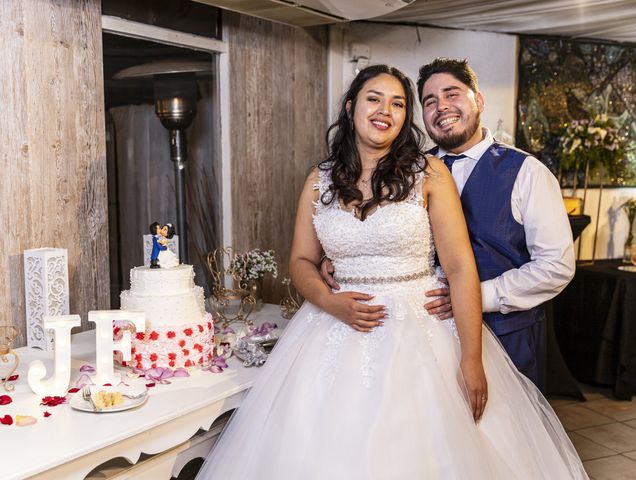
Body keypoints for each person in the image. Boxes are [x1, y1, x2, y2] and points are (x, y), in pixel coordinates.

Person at [196, 65, 586, 479]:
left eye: (398, 103)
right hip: (331, 331)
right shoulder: (319, 179)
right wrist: (331, 297)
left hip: (424, 330)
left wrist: (471, 360)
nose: (386, 110)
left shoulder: (432, 173)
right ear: (351, 108)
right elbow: (301, 261)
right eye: (374, 99)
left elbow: (459, 265)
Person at [322, 58, 575, 387]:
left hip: (506, 334)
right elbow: (380, 228)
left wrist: (475, 296)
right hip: (427, 338)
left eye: (452, 94)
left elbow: (557, 265)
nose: (442, 107)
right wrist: (341, 254)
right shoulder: (408, 171)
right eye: (430, 101)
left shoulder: (527, 172)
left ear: (478, 101)